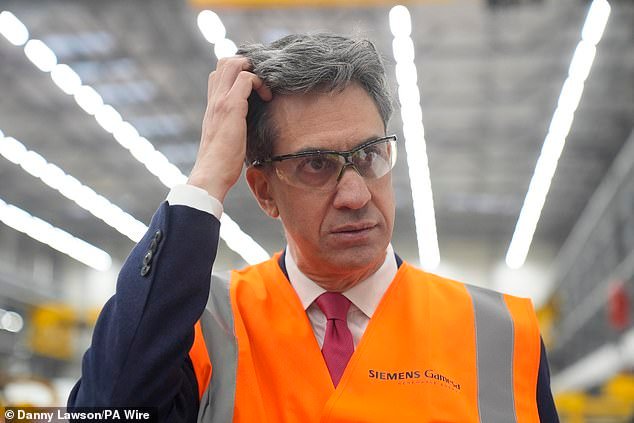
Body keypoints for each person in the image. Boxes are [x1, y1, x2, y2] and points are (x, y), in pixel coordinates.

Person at [68, 33, 559, 422]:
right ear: (264, 191)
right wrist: (206, 180)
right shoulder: (202, 326)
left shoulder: (499, 334)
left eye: (370, 155)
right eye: (316, 165)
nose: (356, 195)